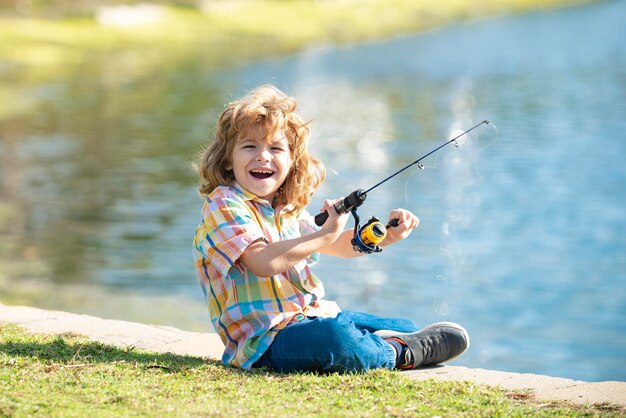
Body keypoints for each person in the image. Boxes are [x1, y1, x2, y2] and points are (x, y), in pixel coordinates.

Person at [193, 84, 469, 373]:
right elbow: (263, 261)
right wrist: (324, 233)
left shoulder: (285, 208)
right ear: (228, 158)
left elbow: (335, 244)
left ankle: (389, 343)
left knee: (404, 326)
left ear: (292, 162)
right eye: (250, 146)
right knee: (335, 337)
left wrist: (386, 235)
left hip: (311, 316)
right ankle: (396, 353)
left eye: (275, 148)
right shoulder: (224, 204)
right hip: (265, 342)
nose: (263, 156)